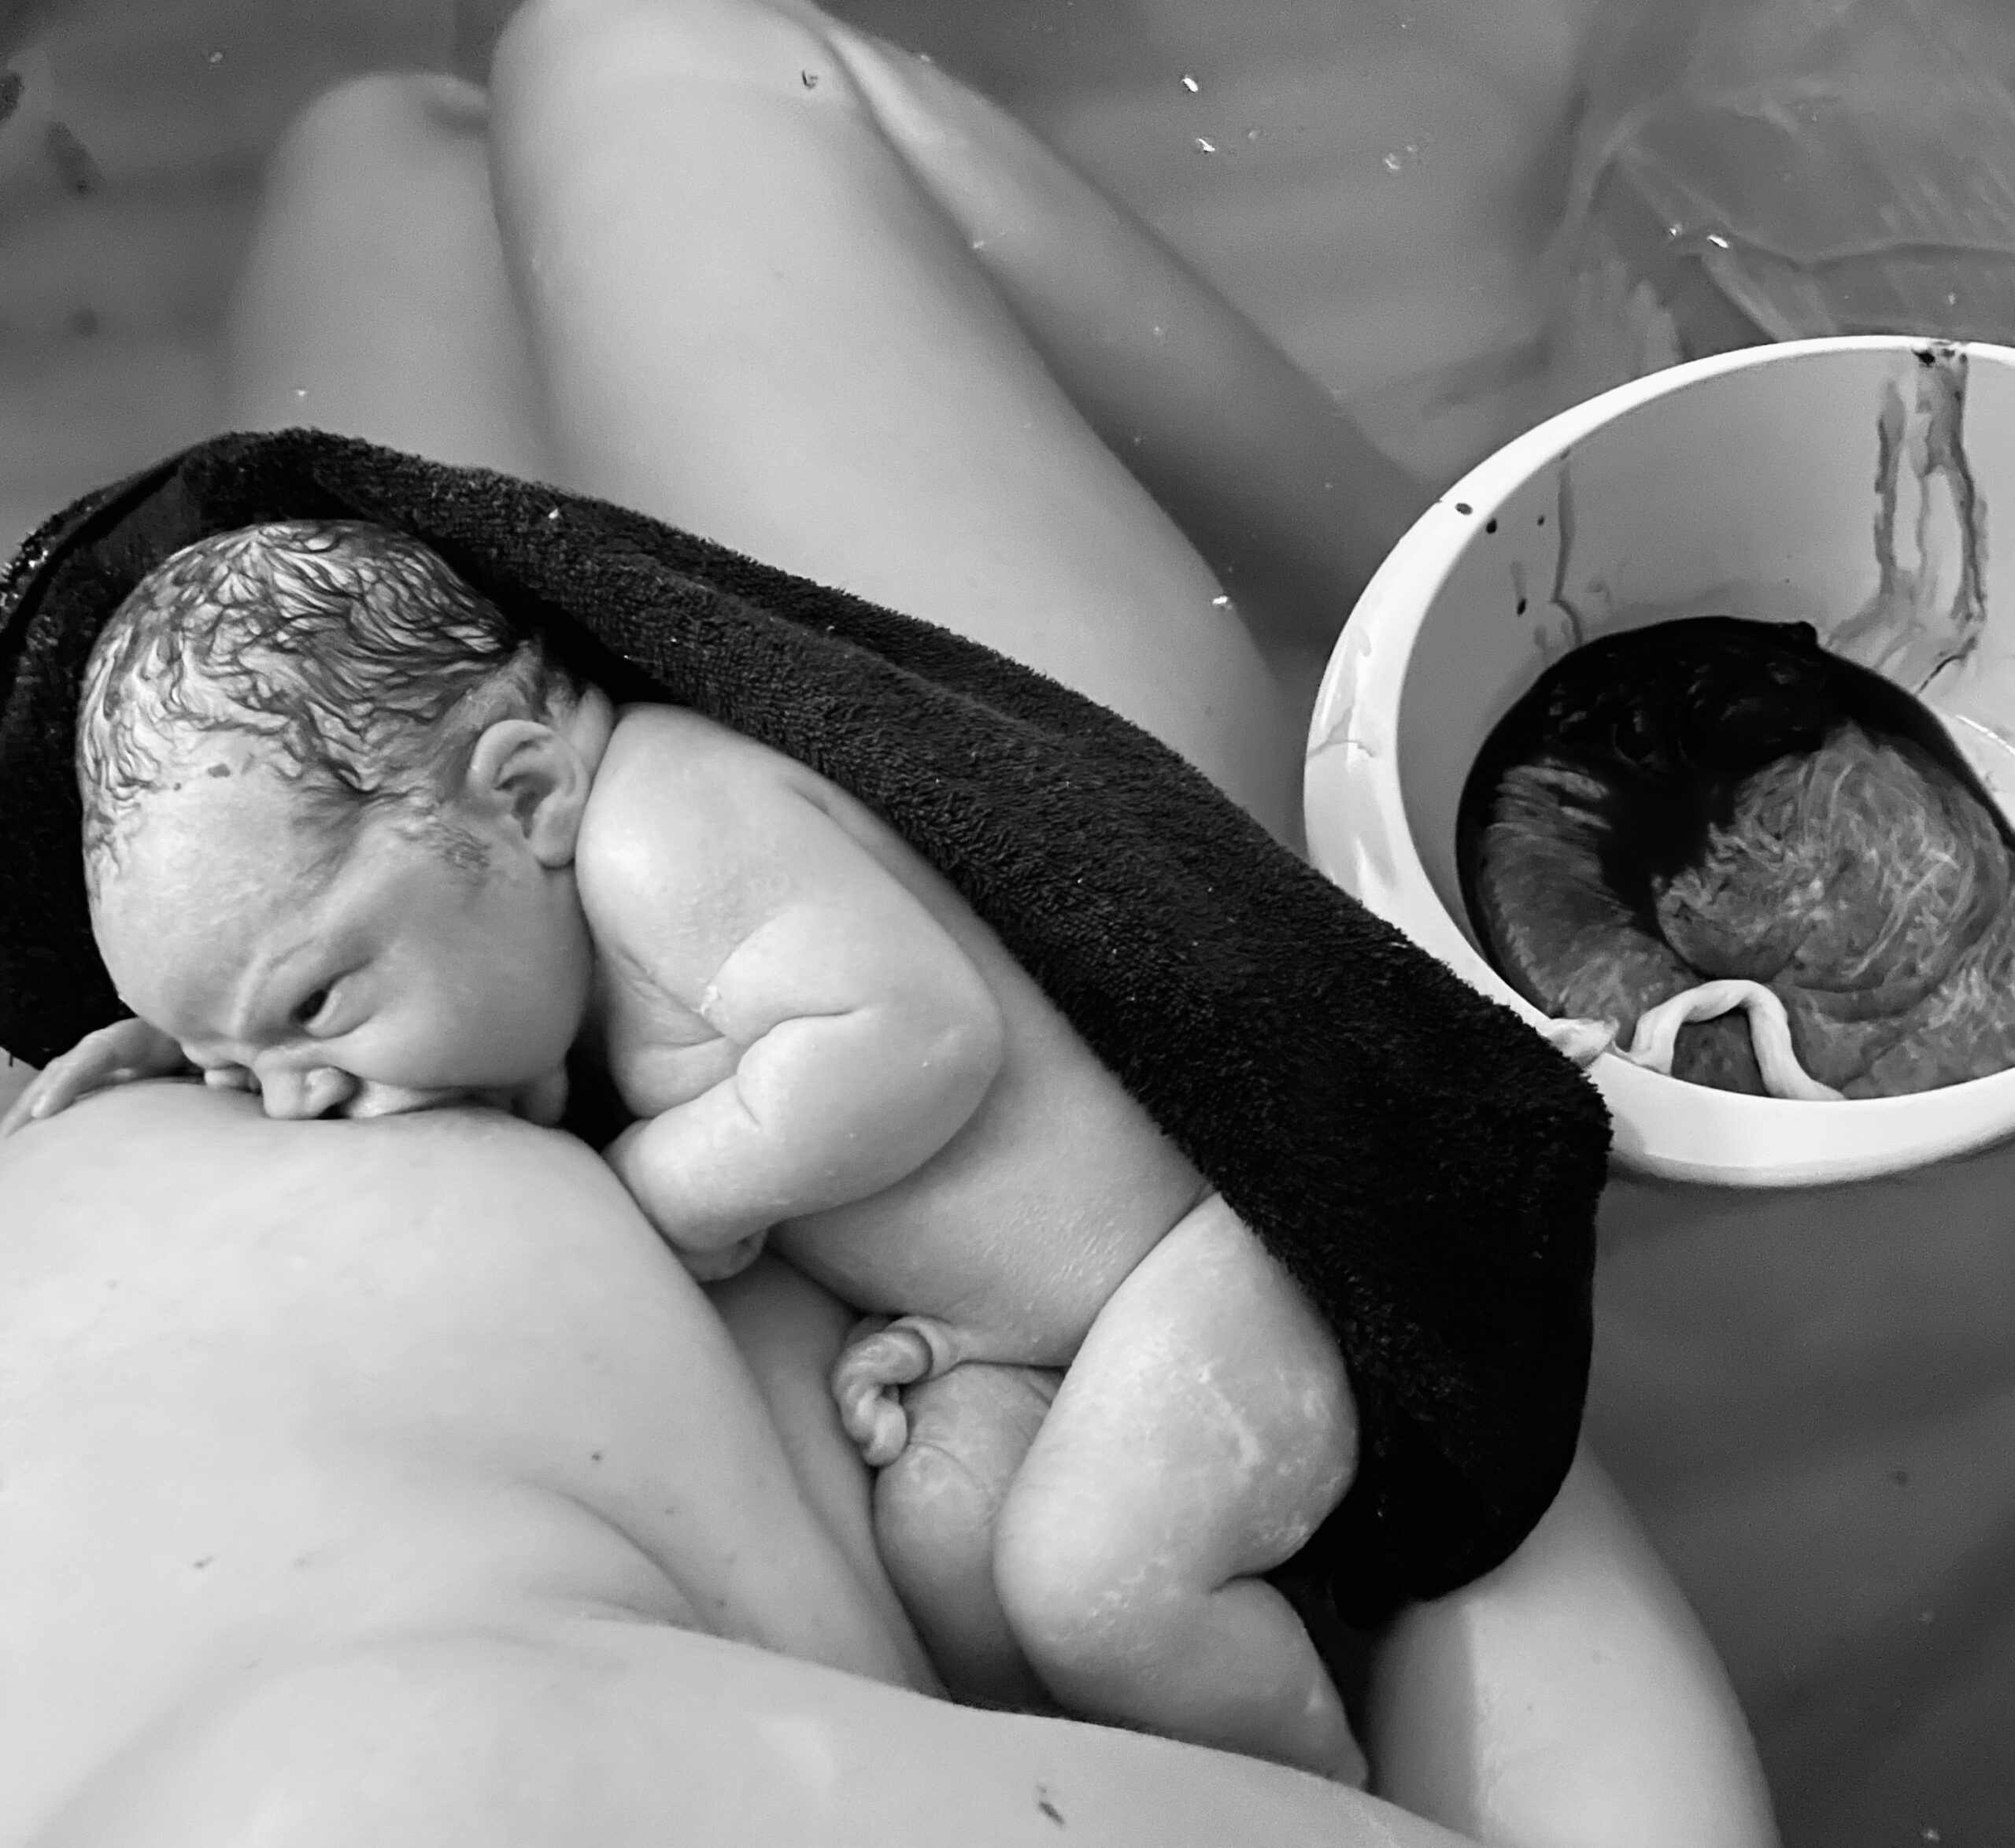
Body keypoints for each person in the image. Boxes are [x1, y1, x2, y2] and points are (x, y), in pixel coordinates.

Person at [0, 1, 1777, 1842]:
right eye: (241, 1060)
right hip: (982, 1317)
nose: (274, 1094)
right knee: (480, 114)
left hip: (998, 954)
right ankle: (1469, 640)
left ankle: (1496, 614)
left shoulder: (395, 1770)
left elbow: (903, 1029)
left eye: (290, 1026)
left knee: (482, 114)